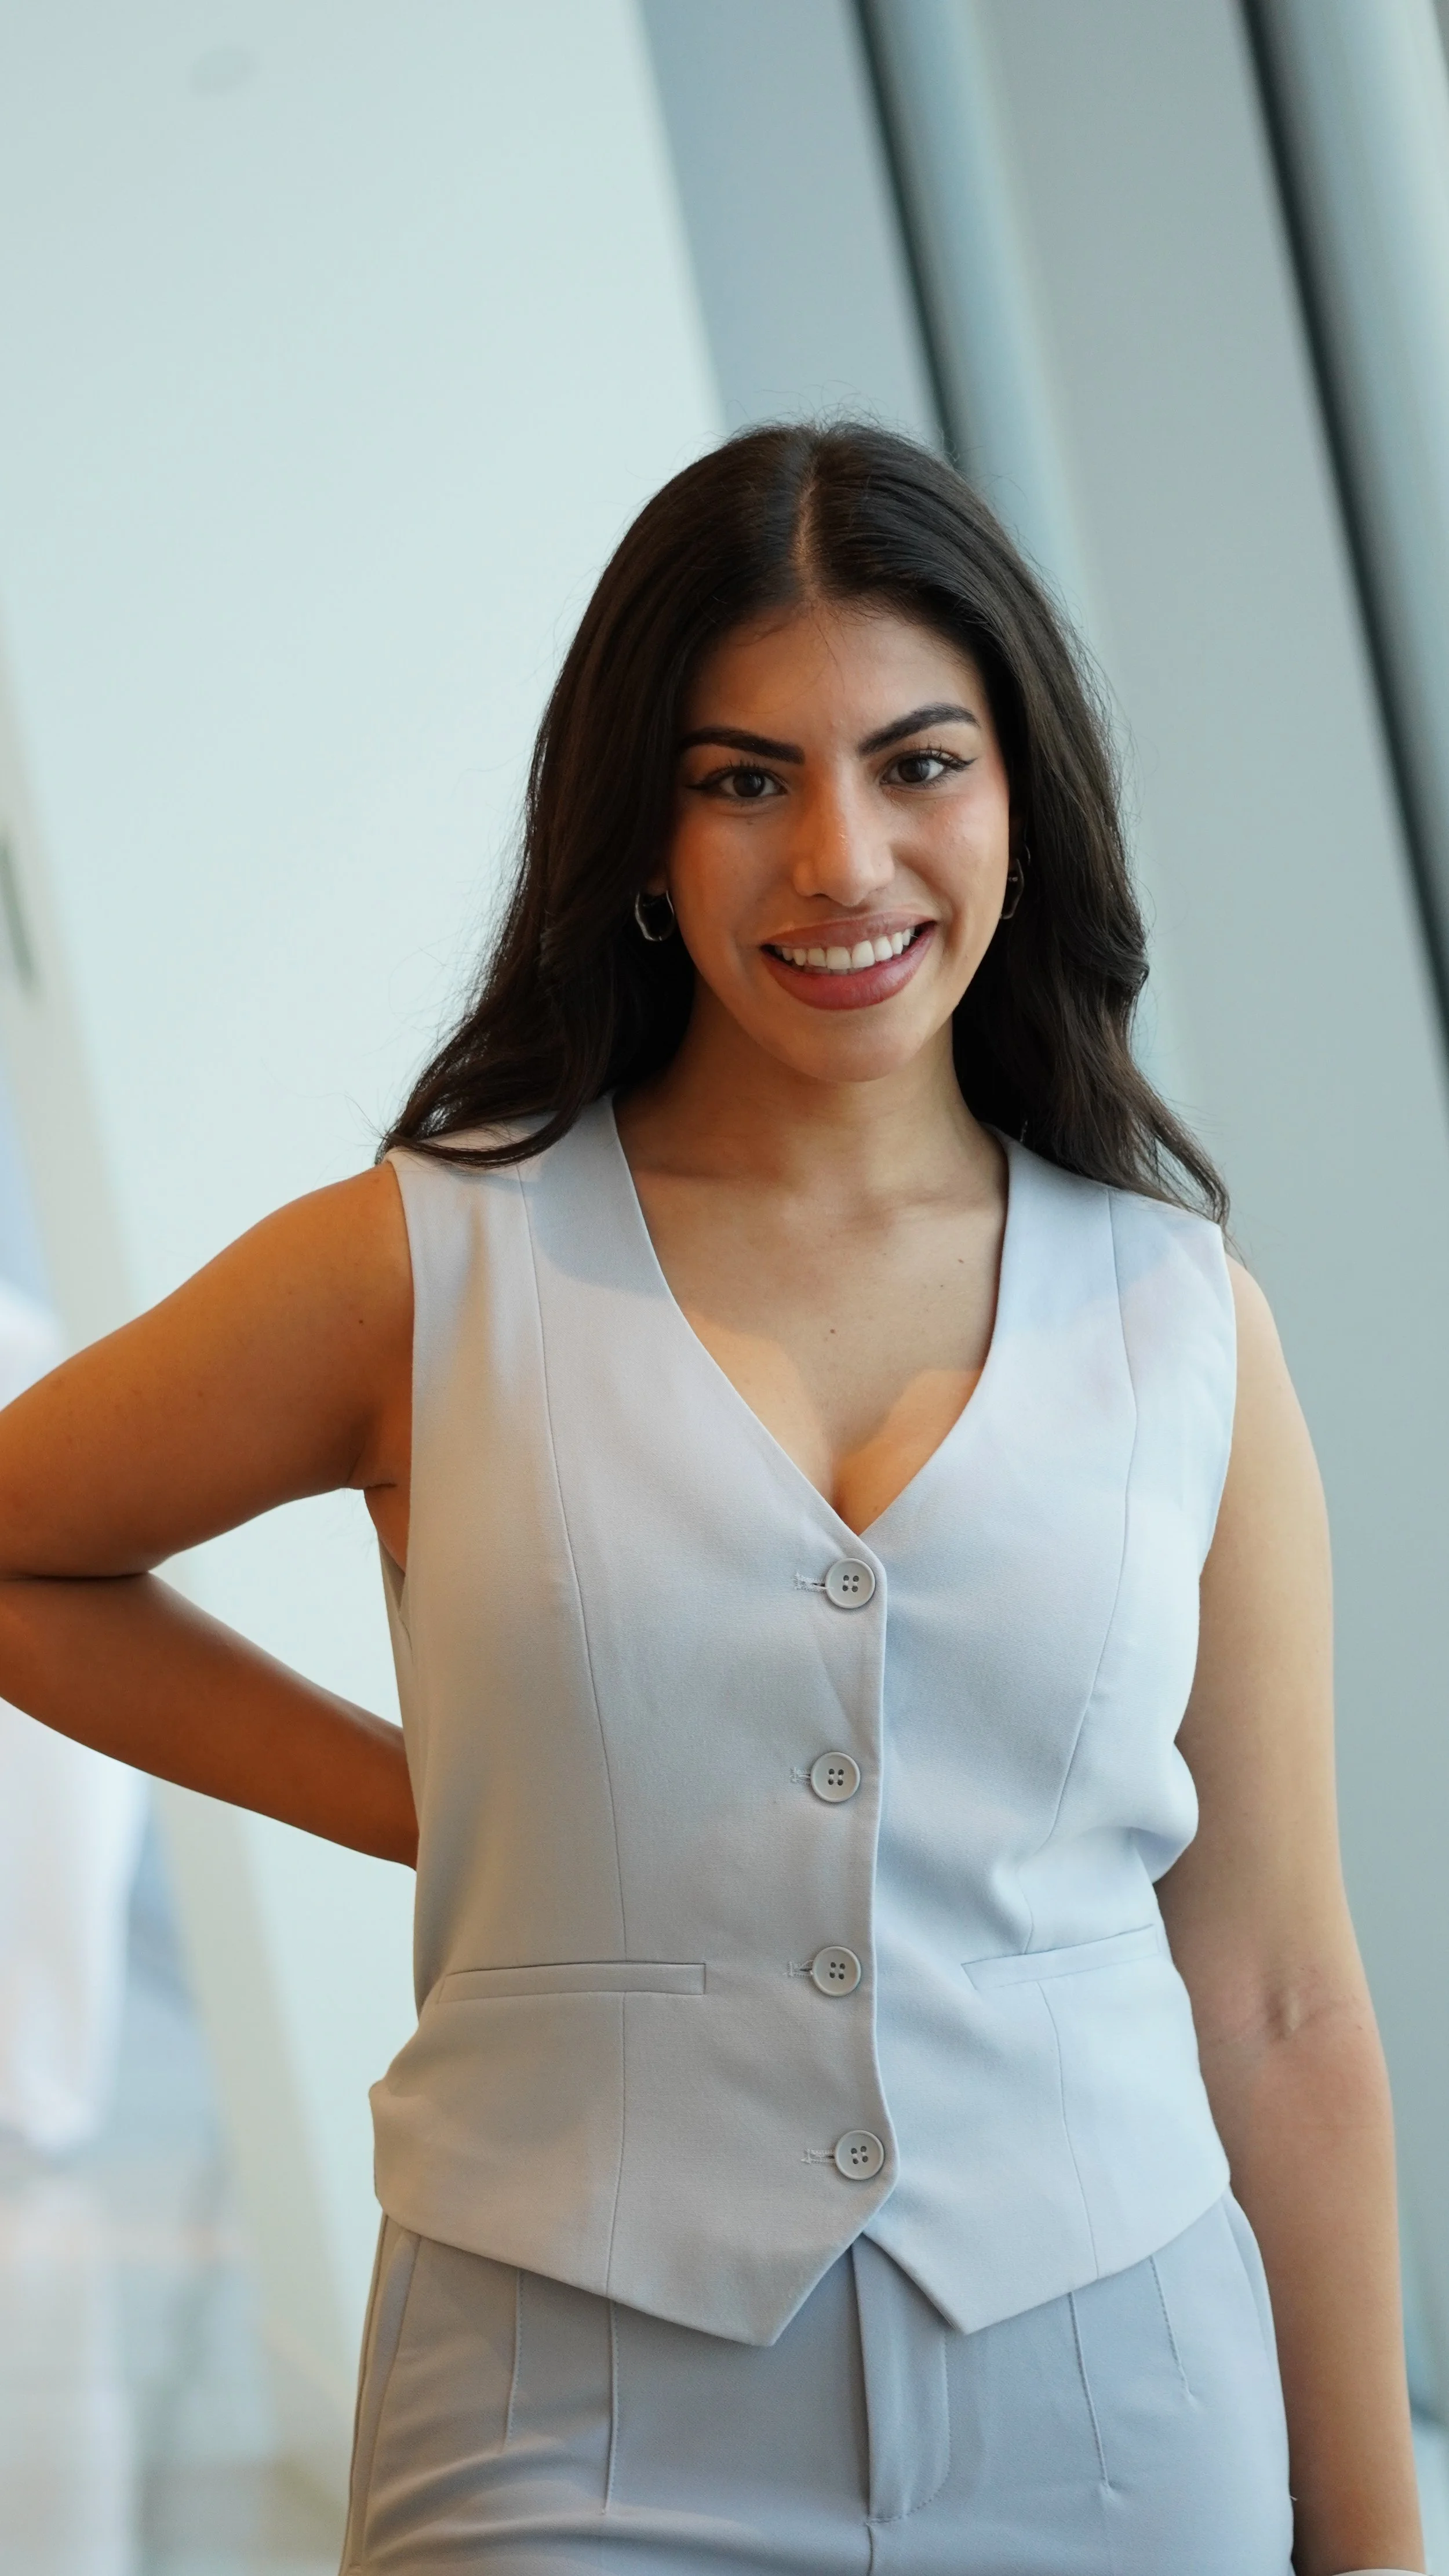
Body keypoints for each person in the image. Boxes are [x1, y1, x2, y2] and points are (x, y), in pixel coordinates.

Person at [0, 423, 1422, 2575]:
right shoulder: (428, 1263)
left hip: (1120, 2403)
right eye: (743, 778)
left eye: (917, 764)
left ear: (1020, 801)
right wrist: (418, 1796)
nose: (842, 858)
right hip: (563, 2428)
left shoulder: (1179, 1319)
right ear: (639, 838)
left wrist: (1375, 2542)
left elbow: (1280, 1991)